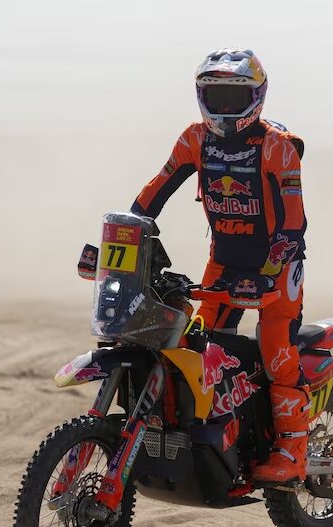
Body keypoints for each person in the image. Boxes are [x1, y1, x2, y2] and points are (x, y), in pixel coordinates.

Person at [130, 48, 309, 484]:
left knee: (275, 349)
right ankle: (216, 435)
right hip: (224, 262)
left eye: (235, 97)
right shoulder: (194, 139)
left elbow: (293, 221)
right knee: (195, 345)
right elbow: (156, 190)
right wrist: (126, 232)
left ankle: (292, 448)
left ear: (257, 96)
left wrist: (269, 269)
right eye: (217, 98)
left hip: (276, 269)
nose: (225, 109)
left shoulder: (277, 147)